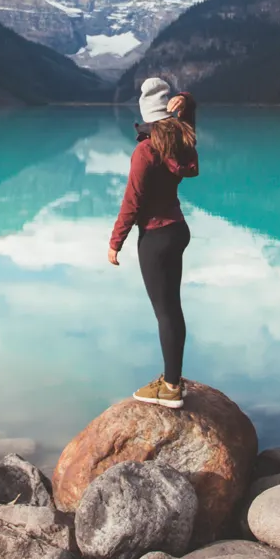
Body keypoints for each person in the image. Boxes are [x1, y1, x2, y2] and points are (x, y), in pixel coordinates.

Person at [109, 77, 199, 409]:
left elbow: (132, 202)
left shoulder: (145, 152)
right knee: (172, 309)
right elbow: (189, 130)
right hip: (178, 230)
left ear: (147, 115)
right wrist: (187, 102)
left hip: (156, 238)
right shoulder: (181, 144)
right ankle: (172, 378)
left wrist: (115, 242)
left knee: (166, 313)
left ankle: (172, 387)